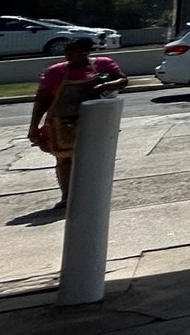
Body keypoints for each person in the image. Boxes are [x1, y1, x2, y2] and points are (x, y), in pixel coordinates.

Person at [28, 37, 127, 211]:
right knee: (64, 159)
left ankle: (93, 193)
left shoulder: (103, 64)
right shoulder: (54, 72)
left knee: (94, 158)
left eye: (74, 51)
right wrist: (33, 126)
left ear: (85, 52)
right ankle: (67, 196)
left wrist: (105, 86)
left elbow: (123, 81)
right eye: (67, 51)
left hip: (94, 120)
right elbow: (41, 100)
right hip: (62, 122)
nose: (69, 55)